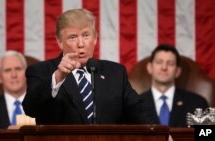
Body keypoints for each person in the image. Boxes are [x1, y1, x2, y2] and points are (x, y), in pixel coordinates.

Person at [22, 8, 150, 125]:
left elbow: (137, 112)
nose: (81, 44)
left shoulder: (115, 73)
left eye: (86, 35)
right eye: (72, 37)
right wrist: (58, 77)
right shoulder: (41, 71)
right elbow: (30, 108)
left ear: (95, 38)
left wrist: (160, 135)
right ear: (60, 42)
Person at [140, 44, 209, 127]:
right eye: (159, 62)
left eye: (170, 63)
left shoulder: (199, 103)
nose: (164, 67)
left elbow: (207, 134)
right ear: (150, 67)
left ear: (177, 71)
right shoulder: (133, 106)